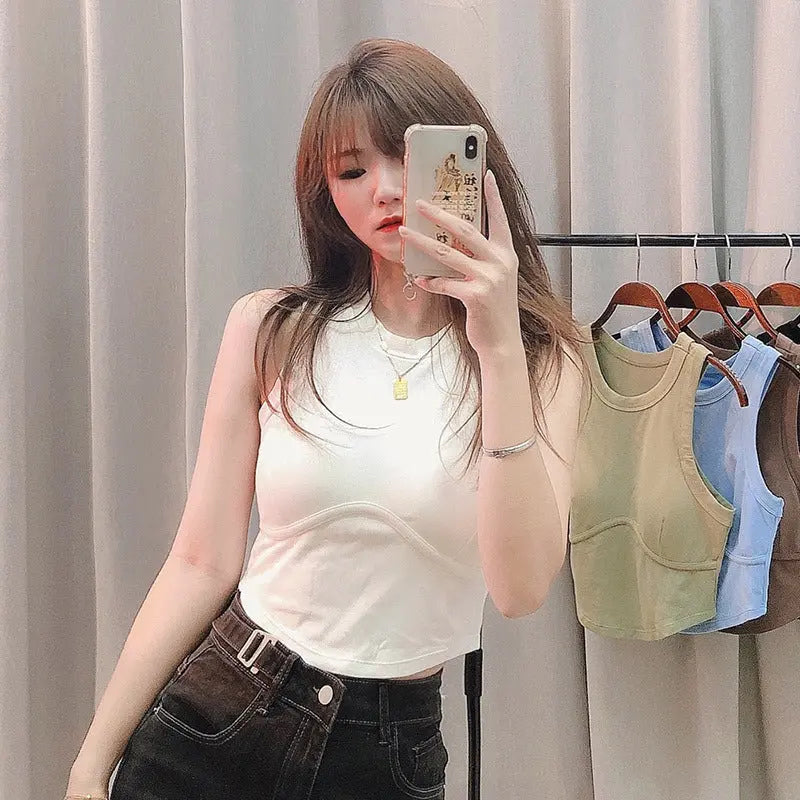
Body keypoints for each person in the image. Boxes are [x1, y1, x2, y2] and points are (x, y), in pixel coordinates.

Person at [65, 37, 586, 800]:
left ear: (469, 166)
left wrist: (499, 346)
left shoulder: (544, 362)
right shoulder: (272, 328)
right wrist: (90, 762)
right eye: (351, 171)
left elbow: (520, 590)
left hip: (386, 749)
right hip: (219, 711)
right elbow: (201, 561)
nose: (385, 190)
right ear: (326, 197)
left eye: (406, 156)